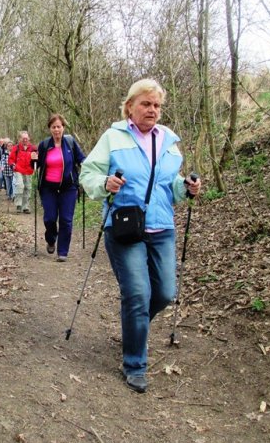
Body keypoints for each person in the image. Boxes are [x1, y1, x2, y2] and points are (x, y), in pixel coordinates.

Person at [80, 78, 201, 394]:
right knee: (137, 293)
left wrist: (185, 188)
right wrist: (105, 182)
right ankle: (134, 363)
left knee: (163, 293)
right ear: (130, 107)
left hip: (162, 227)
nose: (152, 110)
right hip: (125, 227)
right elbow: (88, 173)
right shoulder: (113, 137)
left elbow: (168, 184)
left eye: (157, 105)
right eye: (146, 104)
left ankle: (135, 328)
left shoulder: (168, 142)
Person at [36, 114, 86, 262]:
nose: (56, 130)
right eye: (53, 127)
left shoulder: (70, 143)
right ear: (50, 129)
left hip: (68, 187)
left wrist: (89, 167)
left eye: (59, 126)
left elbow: (81, 158)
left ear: (63, 127)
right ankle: (51, 239)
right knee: (50, 218)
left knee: (66, 219)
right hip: (48, 188)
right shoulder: (44, 145)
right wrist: (32, 160)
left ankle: (62, 251)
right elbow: (37, 163)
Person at [8, 131, 36, 213]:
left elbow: (36, 159)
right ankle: (18, 205)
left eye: (26, 138)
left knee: (28, 187)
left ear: (29, 138)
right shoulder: (16, 148)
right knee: (20, 186)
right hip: (18, 169)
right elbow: (11, 159)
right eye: (23, 138)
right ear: (20, 139)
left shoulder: (33, 148)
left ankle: (25, 207)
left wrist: (36, 164)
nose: (25, 140)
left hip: (29, 170)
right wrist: (13, 165)